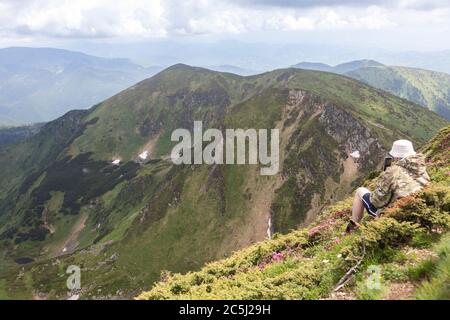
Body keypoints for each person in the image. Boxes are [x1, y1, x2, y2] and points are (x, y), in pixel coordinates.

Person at [346, 139, 430, 233]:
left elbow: (377, 202)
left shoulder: (392, 172)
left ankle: (351, 229)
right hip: (417, 212)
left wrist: (384, 179)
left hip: (394, 214)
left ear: (396, 156)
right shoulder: (422, 169)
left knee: (360, 191)